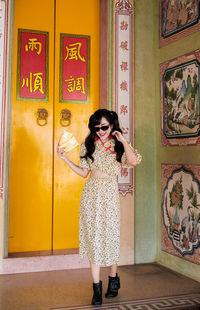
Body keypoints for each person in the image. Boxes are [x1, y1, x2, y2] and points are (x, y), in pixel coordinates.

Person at [57, 109, 141, 306]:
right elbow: (84, 172)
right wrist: (65, 159)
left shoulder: (118, 146)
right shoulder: (88, 145)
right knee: (93, 239)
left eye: (105, 126)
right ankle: (96, 288)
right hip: (90, 195)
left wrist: (123, 141)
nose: (101, 130)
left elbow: (134, 161)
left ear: (112, 125)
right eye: (97, 126)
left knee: (110, 237)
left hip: (110, 195)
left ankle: (113, 279)